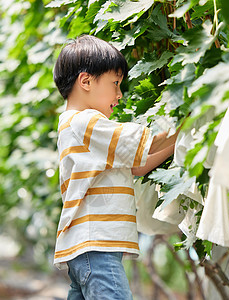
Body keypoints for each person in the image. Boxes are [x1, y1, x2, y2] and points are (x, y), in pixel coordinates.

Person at [53, 35, 180, 300]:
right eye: (115, 83)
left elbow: (138, 165)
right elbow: (143, 143)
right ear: (86, 81)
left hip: (88, 248)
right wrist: (188, 120)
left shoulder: (78, 127)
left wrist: (178, 141)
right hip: (96, 248)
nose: (120, 95)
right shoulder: (84, 122)